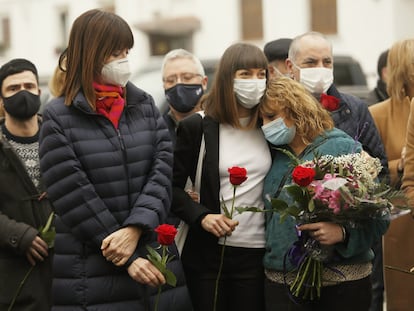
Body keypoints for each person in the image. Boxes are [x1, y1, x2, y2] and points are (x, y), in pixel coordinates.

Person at [38, 9, 192, 310]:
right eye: (114, 52)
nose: (123, 60)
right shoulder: (59, 116)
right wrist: (125, 253)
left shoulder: (143, 105)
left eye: (126, 51)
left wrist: (136, 229)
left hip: (153, 254)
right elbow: (72, 193)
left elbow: (161, 173)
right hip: (93, 269)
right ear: (91, 54)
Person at [260, 77, 390, 311]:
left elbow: (379, 215)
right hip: (283, 285)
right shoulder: (272, 156)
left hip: (341, 283)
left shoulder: (341, 148)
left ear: (296, 111)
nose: (265, 125)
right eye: (261, 119)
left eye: (271, 116)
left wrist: (343, 233)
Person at [171, 42, 271, 311]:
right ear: (228, 78)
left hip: (259, 254)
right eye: (246, 74)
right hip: (209, 258)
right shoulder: (198, 126)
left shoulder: (272, 127)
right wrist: (202, 216)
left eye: (261, 74)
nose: (255, 82)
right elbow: (170, 190)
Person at [286, 31, 389, 183]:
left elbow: (381, 169)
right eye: (311, 62)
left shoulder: (354, 109)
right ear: (290, 66)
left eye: (327, 62)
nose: (320, 68)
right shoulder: (278, 110)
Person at [0, 58, 53, 310]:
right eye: (13, 88)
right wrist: (17, 235)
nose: (23, 93)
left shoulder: (60, 139)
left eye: (29, 86)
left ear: (39, 92)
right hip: (14, 277)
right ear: (1, 99)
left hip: (65, 273)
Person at [372, 39, 414, 311]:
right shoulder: (379, 113)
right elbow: (370, 170)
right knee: (402, 296)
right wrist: (399, 165)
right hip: (398, 213)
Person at [162, 48, 208, 146]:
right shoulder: (155, 132)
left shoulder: (221, 124)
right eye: (171, 80)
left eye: (187, 78)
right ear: (164, 86)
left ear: (204, 82)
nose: (179, 84)